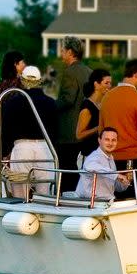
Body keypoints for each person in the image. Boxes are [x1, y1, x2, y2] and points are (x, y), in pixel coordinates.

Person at [0, 65, 56, 198]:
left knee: (20, 192)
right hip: (45, 148)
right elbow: (54, 132)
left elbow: (5, 132)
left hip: (22, 148)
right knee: (44, 193)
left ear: (21, 80)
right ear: (40, 81)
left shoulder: (12, 103)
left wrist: (3, 153)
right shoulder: (51, 103)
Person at [99, 59, 137, 198]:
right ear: (136, 74)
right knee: (132, 200)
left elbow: (101, 130)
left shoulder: (107, 97)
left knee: (112, 198)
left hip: (110, 159)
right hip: (133, 159)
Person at [53, 37, 93, 192]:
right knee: (74, 163)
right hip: (85, 128)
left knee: (66, 164)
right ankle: (81, 190)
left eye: (63, 50)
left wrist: (51, 106)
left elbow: (67, 99)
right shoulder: (89, 72)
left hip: (69, 129)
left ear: (70, 52)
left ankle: (69, 194)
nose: (61, 53)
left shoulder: (70, 72)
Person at [72, 127, 131, 201]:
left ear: (117, 142)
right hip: (90, 203)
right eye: (107, 140)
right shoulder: (94, 156)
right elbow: (90, 166)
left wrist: (125, 182)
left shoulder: (110, 158)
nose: (110, 143)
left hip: (107, 201)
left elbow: (116, 187)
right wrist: (116, 175)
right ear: (99, 141)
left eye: (113, 140)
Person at [76, 68, 112, 160]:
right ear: (96, 84)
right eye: (106, 83)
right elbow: (79, 134)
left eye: (110, 83)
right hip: (90, 156)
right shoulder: (87, 106)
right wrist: (98, 128)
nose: (109, 86)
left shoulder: (102, 104)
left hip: (101, 154)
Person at [0, 51, 25, 121]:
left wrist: (3, 118)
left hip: (3, 129)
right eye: (22, 62)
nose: (24, 65)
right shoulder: (22, 84)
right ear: (15, 64)